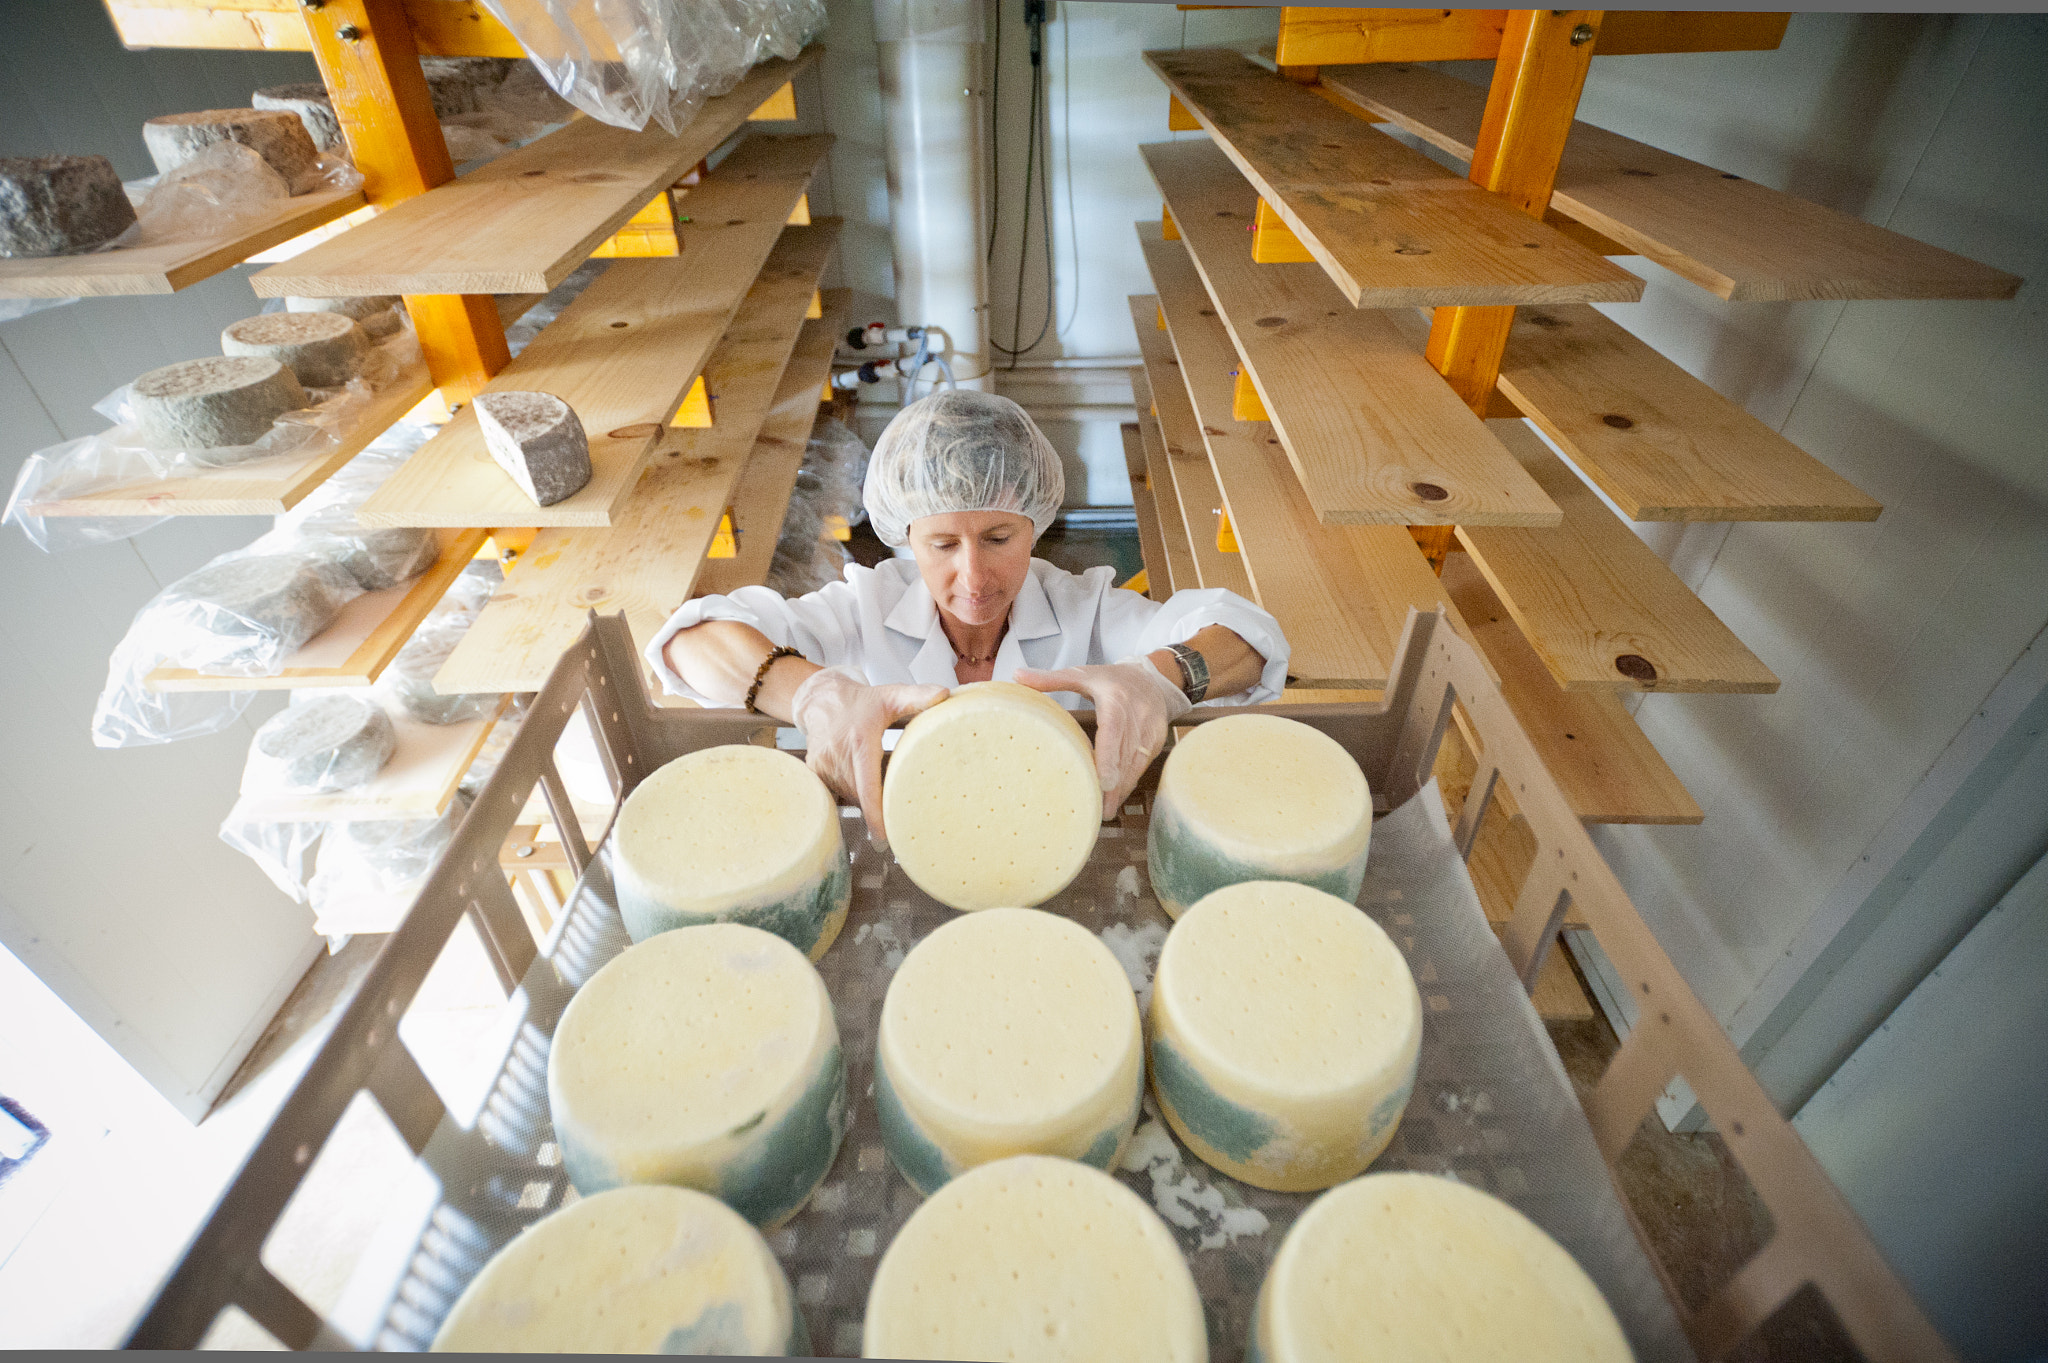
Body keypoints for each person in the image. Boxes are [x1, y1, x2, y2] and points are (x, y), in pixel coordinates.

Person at [647, 390, 1290, 847]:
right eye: (943, 546)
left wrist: (1165, 677)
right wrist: (813, 695)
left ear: (1035, 525)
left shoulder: (1083, 608)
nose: (974, 578)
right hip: (900, 841)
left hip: (1056, 839)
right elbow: (691, 639)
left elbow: (1249, 635)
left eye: (1000, 538)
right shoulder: (864, 608)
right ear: (905, 536)